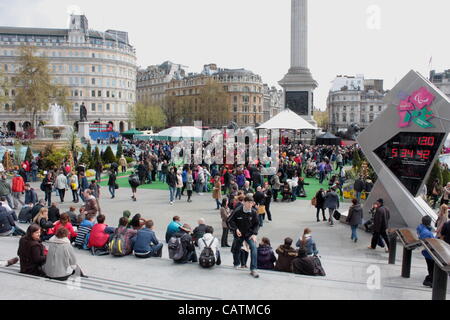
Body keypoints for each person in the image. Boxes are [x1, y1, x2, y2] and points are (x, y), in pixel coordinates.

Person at [228, 195, 260, 278]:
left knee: (254, 248)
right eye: (248, 203)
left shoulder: (253, 212)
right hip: (239, 233)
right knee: (236, 248)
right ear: (244, 202)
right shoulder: (237, 210)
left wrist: (254, 234)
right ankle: (236, 263)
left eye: (251, 203)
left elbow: (257, 224)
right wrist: (235, 229)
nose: (250, 205)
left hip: (249, 234)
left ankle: (253, 269)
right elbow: (229, 221)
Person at [417, 216, 436, 288]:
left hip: (426, 253)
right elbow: (432, 243)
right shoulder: (427, 233)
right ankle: (429, 280)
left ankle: (429, 280)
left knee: (430, 267)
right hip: (429, 254)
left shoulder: (421, 228)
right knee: (432, 268)